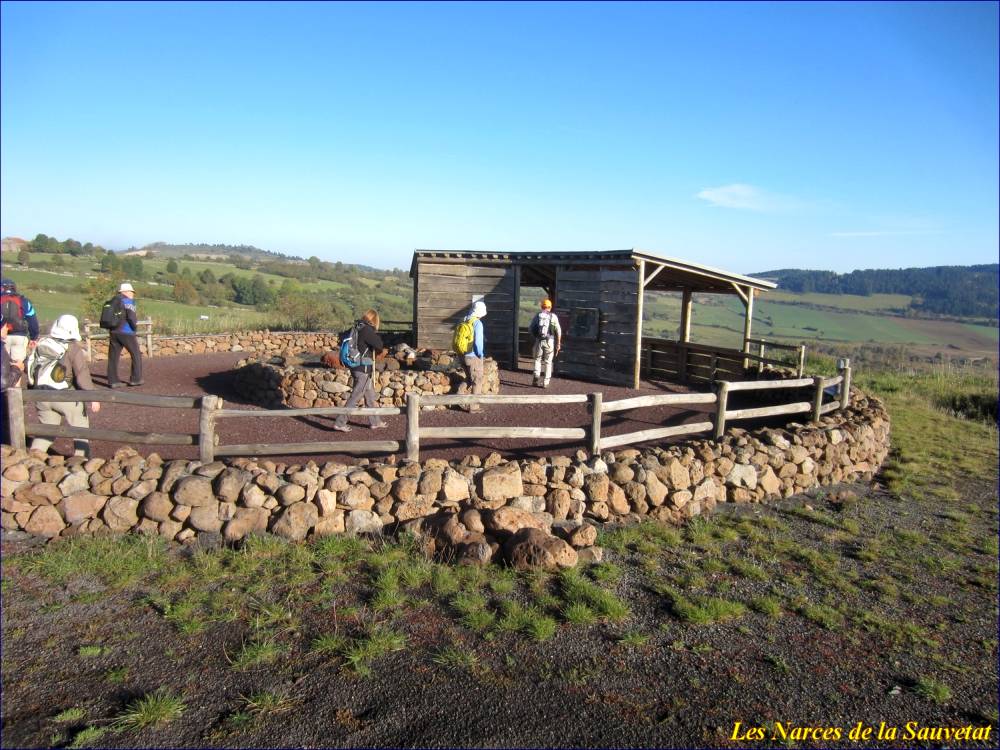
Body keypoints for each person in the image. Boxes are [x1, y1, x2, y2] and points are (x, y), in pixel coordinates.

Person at [28, 314, 101, 458]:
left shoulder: (42, 343)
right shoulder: (73, 348)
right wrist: (93, 396)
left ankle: (32, 460)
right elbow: (82, 375)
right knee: (80, 427)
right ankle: (81, 460)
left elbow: (31, 367)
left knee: (46, 431)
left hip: (41, 396)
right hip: (64, 396)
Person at [332, 309, 386, 432]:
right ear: (374, 320)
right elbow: (379, 345)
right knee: (356, 396)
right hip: (363, 369)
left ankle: (375, 422)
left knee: (369, 395)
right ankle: (340, 422)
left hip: (355, 366)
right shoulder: (367, 330)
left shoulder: (357, 327)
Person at [106, 282, 143, 388]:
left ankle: (113, 381)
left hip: (113, 331)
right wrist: (134, 328)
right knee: (136, 355)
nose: (133, 294)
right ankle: (136, 379)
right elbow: (131, 317)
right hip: (126, 332)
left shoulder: (113, 300)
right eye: (131, 292)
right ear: (126, 292)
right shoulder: (128, 301)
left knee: (113, 357)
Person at [0, 278, 39, 369]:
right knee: (17, 366)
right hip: (19, 337)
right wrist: (33, 337)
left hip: (2, 337)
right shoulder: (24, 301)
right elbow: (32, 320)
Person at [461, 300, 487, 412]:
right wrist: (480, 354)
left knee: (468, 378)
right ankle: (474, 407)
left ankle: (456, 399)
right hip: (473, 356)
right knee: (477, 380)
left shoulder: (464, 319)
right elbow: (478, 343)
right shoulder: (477, 323)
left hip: (462, 354)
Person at [530, 298, 562, 388]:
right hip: (550, 341)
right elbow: (558, 331)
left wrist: (535, 337)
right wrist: (558, 343)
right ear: (550, 307)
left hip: (539, 340)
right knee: (548, 362)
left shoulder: (537, 316)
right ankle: (545, 382)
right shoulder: (554, 317)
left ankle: (536, 375)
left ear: (542, 307)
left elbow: (531, 328)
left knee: (537, 359)